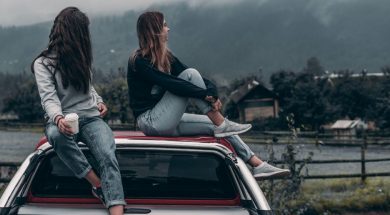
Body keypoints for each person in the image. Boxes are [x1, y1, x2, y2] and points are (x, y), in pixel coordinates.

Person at [127, 11, 290, 179]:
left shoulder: (166, 57)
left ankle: (258, 165)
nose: (169, 29)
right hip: (150, 121)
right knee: (190, 75)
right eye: (165, 25)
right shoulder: (138, 61)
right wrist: (204, 95)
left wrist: (212, 93)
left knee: (217, 127)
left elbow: (198, 79)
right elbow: (172, 84)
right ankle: (221, 123)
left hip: (167, 120)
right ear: (155, 30)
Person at [32, 7, 125, 215]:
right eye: (84, 31)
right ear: (75, 33)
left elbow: (88, 87)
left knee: (108, 155)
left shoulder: (81, 58)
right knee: (56, 135)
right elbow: (49, 98)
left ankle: (117, 210)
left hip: (91, 118)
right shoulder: (43, 63)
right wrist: (58, 118)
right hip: (62, 120)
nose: (87, 36)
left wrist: (99, 101)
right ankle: (98, 185)